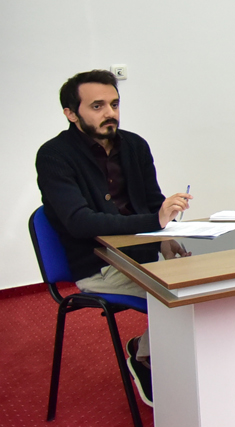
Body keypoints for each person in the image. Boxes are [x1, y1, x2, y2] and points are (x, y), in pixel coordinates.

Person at [35, 70, 192, 407]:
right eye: (97, 106)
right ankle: (145, 356)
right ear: (71, 113)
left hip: (144, 255)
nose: (110, 113)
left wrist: (165, 236)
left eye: (114, 104)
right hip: (98, 263)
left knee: (210, 282)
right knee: (184, 297)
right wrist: (155, 220)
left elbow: (152, 202)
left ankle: (155, 351)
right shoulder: (53, 156)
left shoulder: (134, 145)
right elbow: (79, 222)